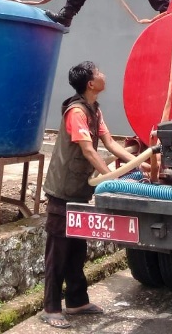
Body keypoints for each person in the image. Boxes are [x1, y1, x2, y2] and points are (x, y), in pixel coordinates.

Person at [41, 61, 148, 329]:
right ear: (90, 83)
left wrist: (142, 164)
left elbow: (111, 143)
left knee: (77, 248)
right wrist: (111, 177)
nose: (103, 76)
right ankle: (51, 308)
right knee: (58, 252)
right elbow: (89, 151)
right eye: (99, 73)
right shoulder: (76, 111)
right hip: (62, 191)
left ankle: (76, 302)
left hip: (79, 190)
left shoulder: (94, 110)